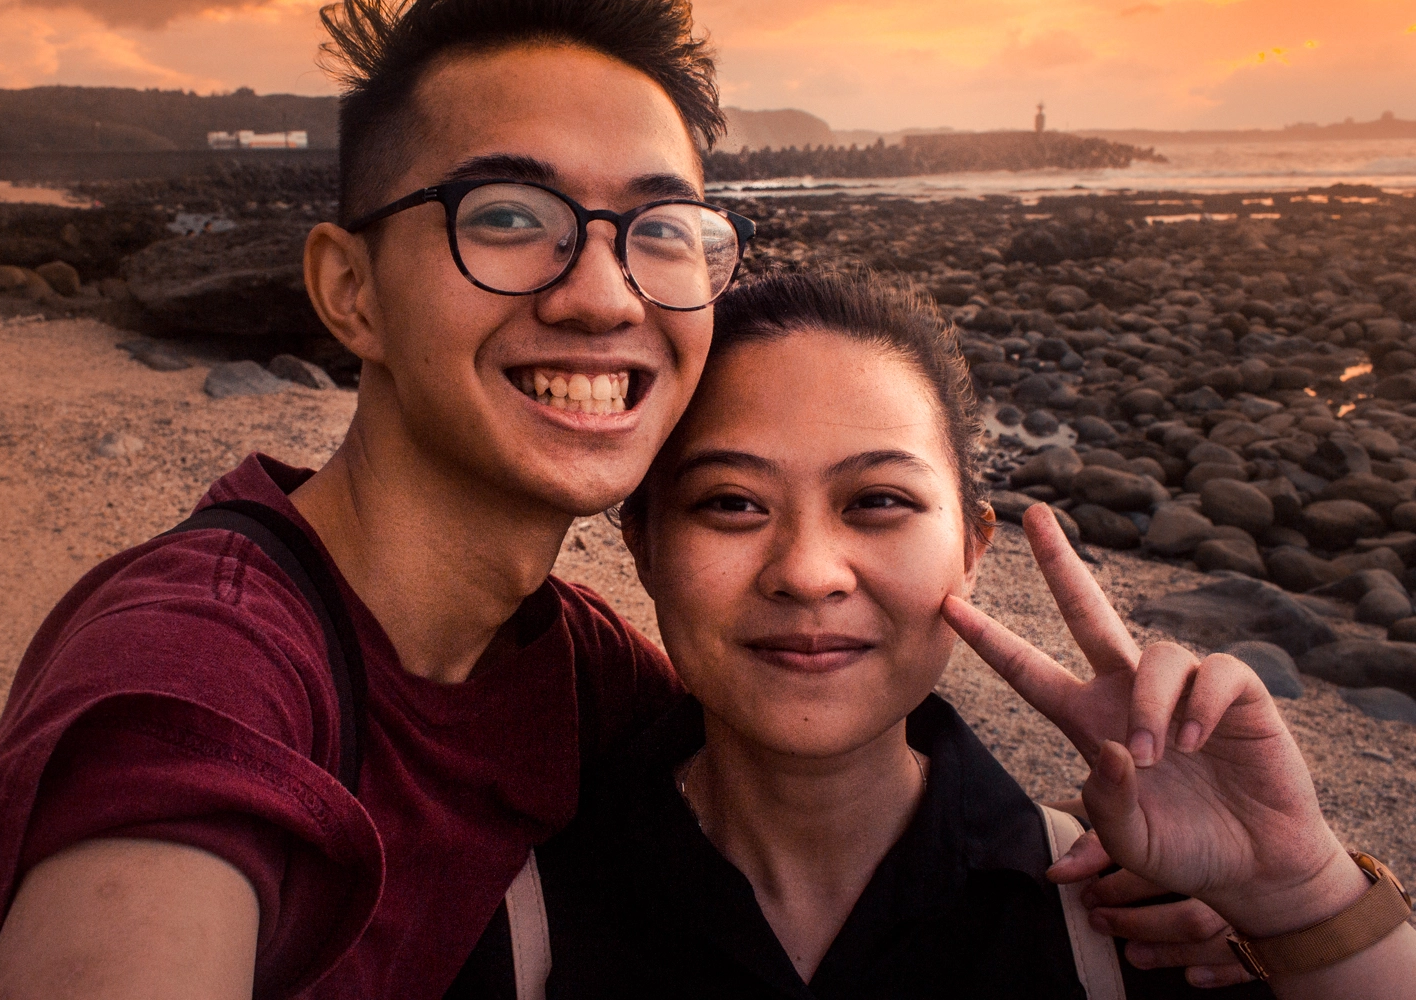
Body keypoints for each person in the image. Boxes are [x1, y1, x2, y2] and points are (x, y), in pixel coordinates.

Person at [0, 0, 757, 1000]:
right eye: (508, 218)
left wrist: (1014, 838)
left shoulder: (577, 674)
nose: (604, 298)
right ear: (350, 291)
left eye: (661, 230)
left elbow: (816, 807)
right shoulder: (199, 674)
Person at [537, 268, 1416, 999]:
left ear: (971, 548)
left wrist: (1298, 892)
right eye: (731, 502)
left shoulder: (1135, 923)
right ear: (643, 546)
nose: (808, 572)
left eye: (877, 501)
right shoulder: (518, 915)